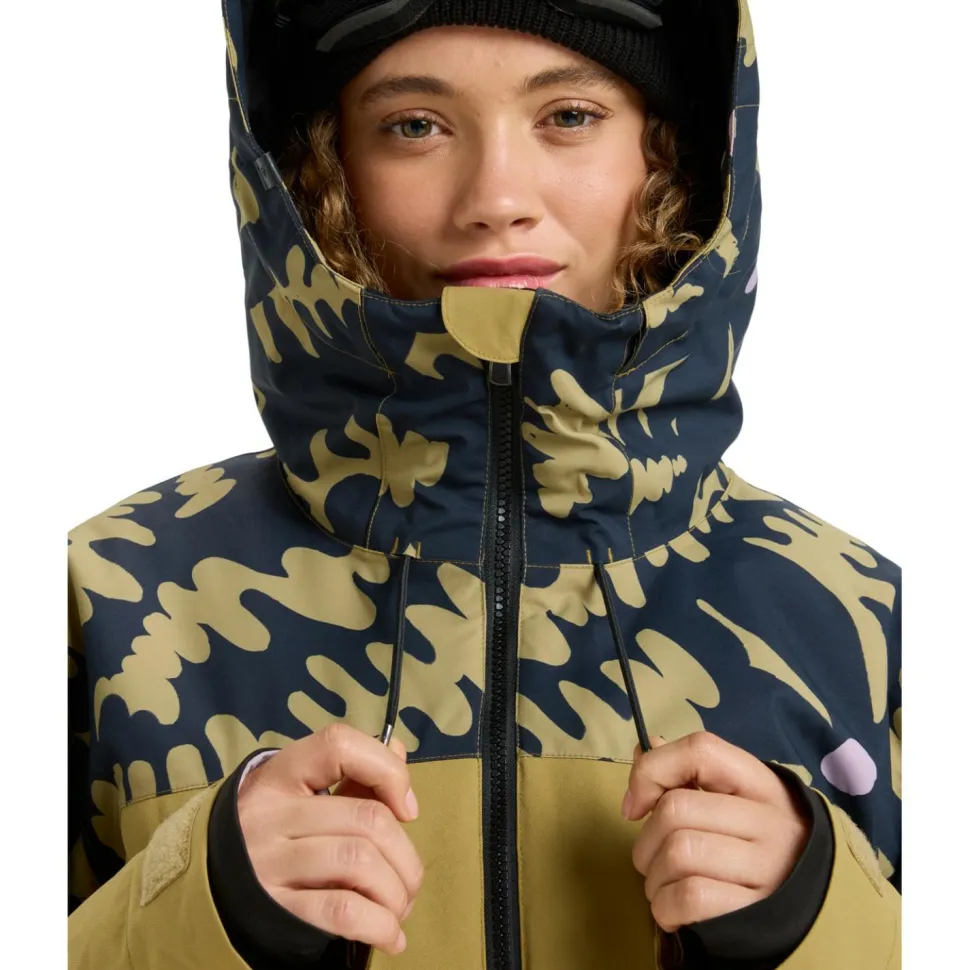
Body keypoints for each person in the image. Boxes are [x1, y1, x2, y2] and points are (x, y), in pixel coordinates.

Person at [67, 1, 902, 968]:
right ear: (316, 170)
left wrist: (821, 918)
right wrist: (197, 912)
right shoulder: (111, 600)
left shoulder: (865, 618)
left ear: (672, 158)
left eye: (570, 116)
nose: (496, 197)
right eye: (414, 125)